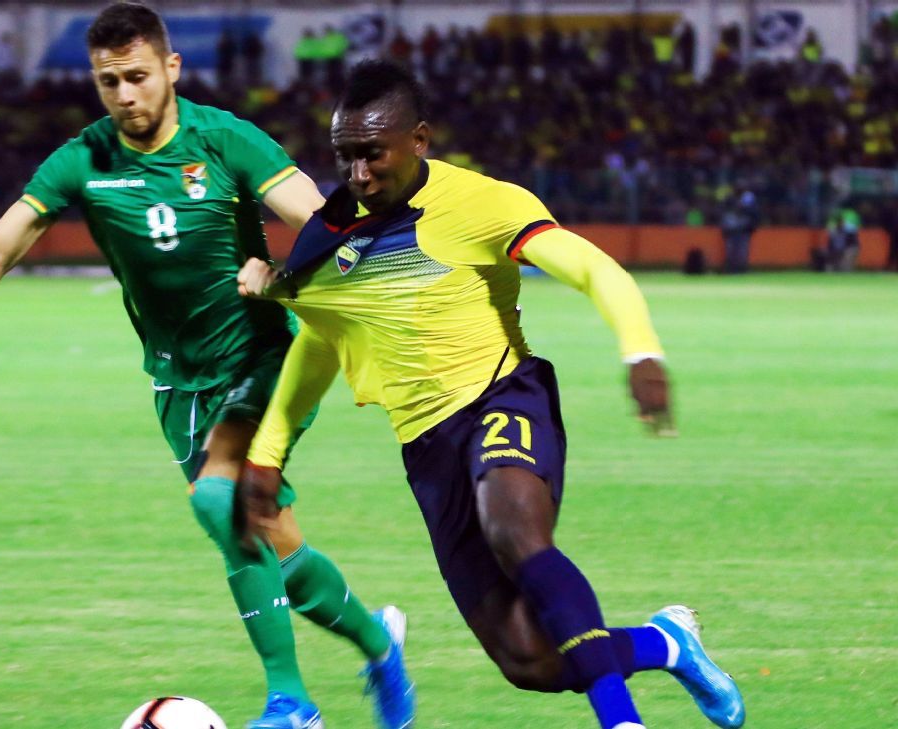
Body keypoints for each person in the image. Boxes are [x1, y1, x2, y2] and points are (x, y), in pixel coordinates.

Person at [0, 6, 413, 729]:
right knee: (272, 543)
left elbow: (324, 223)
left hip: (261, 357)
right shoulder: (84, 160)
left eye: (137, 76)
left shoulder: (224, 140)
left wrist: (285, 275)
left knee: (218, 498)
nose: (125, 95)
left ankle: (292, 704)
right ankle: (380, 645)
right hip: (177, 385)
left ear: (171, 68)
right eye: (109, 82)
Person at [236, 60, 745, 729]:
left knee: (513, 529)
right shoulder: (329, 235)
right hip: (428, 450)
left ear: (420, 139)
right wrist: (268, 452)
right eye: (345, 156)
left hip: (503, 396)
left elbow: (591, 267)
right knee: (528, 660)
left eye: (374, 154)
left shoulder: (481, 204)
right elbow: (323, 339)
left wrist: (641, 348)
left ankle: (621, 720)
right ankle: (666, 643)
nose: (359, 174)